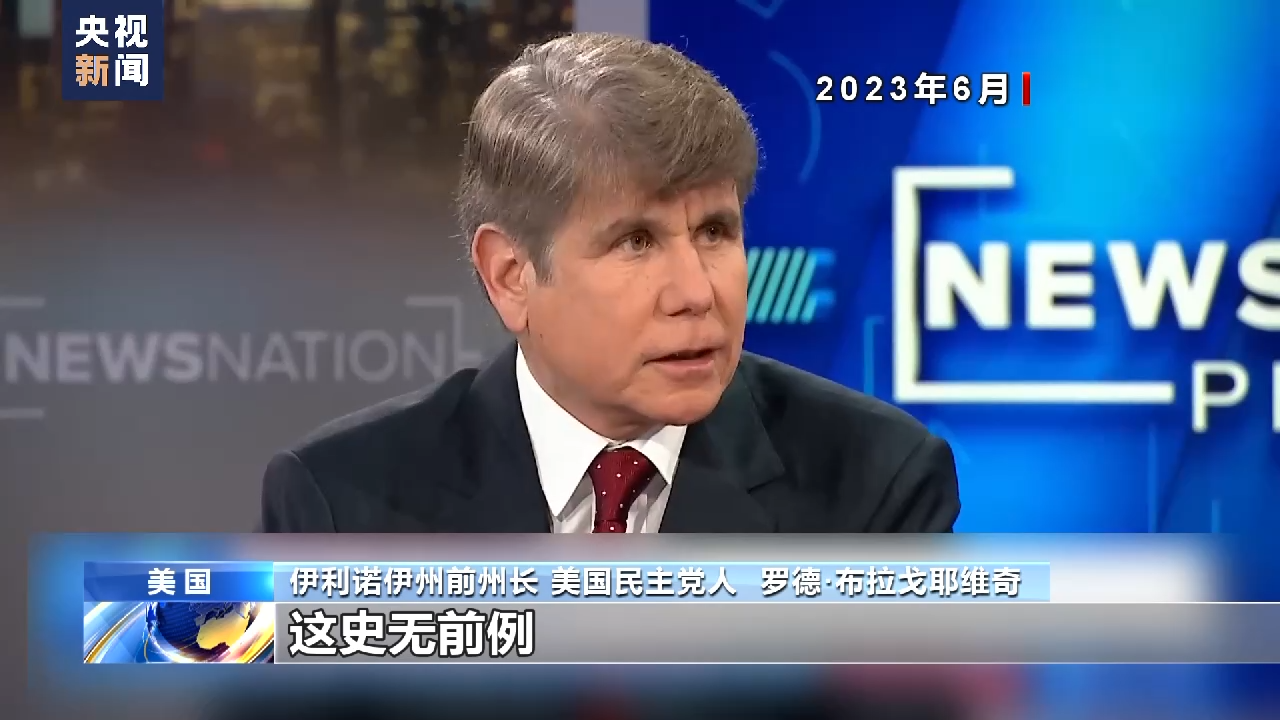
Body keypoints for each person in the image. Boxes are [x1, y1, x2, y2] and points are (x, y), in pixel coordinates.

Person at [259, 32, 960, 534]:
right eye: (636, 242)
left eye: (715, 232)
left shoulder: (876, 483)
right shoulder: (336, 503)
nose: (696, 293)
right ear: (511, 275)